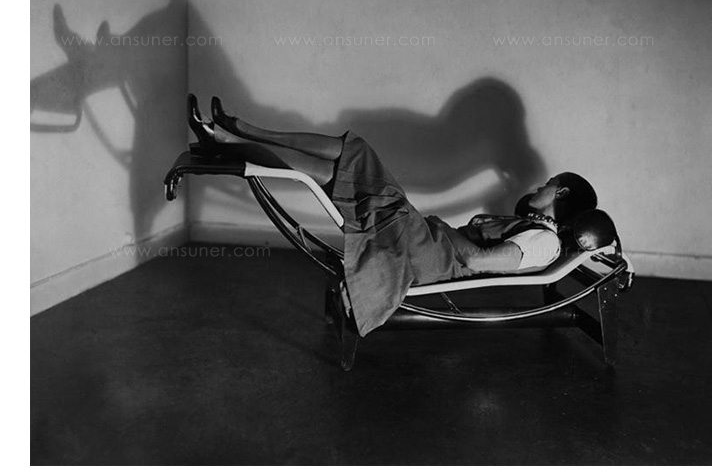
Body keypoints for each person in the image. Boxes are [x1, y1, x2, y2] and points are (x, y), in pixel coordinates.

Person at [187, 94, 598, 335]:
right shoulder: (536, 230)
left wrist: (440, 226)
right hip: (427, 243)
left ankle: (229, 136)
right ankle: (235, 131)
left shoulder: (544, 242)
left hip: (431, 256)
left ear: (560, 193)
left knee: (351, 161)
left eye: (548, 185)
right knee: (350, 157)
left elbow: (475, 261)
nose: (539, 187)